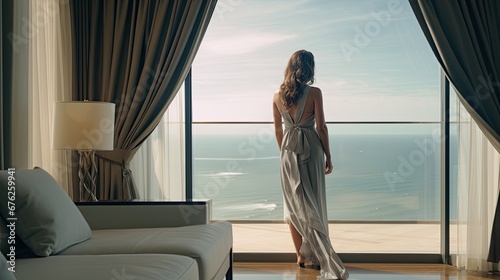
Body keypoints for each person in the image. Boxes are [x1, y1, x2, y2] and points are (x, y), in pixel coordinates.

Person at [272, 50, 348, 280]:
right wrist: (329, 156)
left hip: (287, 151)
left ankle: (301, 256)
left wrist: (284, 153)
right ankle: (317, 254)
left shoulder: (277, 96)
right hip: (311, 150)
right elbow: (322, 127)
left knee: (294, 205)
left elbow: (277, 129)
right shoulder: (315, 93)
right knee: (313, 201)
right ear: (309, 68)